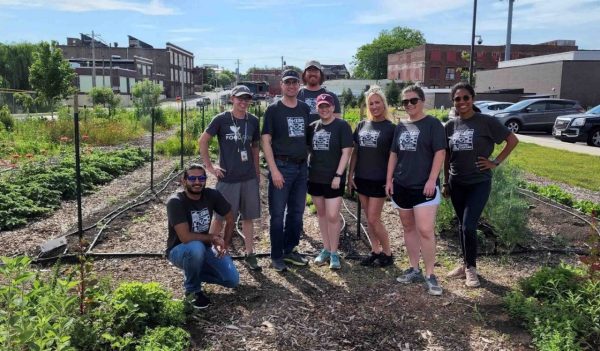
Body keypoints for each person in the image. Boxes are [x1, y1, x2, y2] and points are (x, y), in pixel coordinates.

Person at [443, 82, 519, 288]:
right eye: (457, 99)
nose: (462, 102)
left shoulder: (486, 122)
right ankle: (464, 263)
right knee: (461, 225)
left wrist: (495, 162)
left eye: (465, 98)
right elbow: (447, 156)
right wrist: (445, 182)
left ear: (472, 99)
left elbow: (512, 140)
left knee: (469, 225)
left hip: (478, 183)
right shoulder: (450, 126)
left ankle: (471, 270)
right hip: (456, 182)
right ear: (453, 102)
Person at [386, 85, 447, 296]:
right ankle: (414, 268)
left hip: (425, 187)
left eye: (413, 101)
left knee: (425, 230)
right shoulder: (400, 126)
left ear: (422, 101)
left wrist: (432, 179)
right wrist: (389, 180)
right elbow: (394, 154)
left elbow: (440, 153)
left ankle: (431, 274)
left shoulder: (433, 124)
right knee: (408, 228)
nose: (409, 105)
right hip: (402, 185)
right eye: (405, 102)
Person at [199, 85, 262, 271]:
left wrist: (257, 173)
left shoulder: (253, 121)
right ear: (232, 99)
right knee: (220, 217)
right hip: (227, 178)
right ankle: (207, 252)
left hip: (248, 177)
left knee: (248, 217)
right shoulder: (222, 119)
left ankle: (250, 254)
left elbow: (255, 148)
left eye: (246, 98)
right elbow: (203, 140)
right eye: (239, 98)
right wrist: (209, 166)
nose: (243, 102)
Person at [166, 163, 239, 309]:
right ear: (184, 180)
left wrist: (225, 243)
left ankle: (193, 270)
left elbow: (231, 218)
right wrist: (213, 238)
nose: (197, 182)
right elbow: (185, 237)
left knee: (232, 280)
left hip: (204, 247)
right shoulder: (175, 202)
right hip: (180, 250)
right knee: (195, 247)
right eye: (192, 178)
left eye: (201, 178)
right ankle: (193, 291)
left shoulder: (212, 195)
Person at [261, 69, 311, 271]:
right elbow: (266, 141)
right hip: (281, 166)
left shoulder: (304, 109)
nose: (291, 86)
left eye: (295, 82)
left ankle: (289, 249)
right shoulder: (273, 110)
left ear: (299, 85)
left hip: (301, 168)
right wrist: (274, 170)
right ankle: (276, 255)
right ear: (281, 85)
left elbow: (308, 138)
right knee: (277, 214)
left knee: (297, 213)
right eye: (287, 82)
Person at [347, 86, 395, 267]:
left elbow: (394, 157)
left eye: (377, 102)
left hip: (379, 180)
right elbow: (355, 153)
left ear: (384, 104)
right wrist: (349, 175)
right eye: (371, 103)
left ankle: (388, 253)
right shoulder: (361, 125)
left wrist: (391, 179)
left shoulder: (391, 129)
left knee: (374, 219)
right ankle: (375, 251)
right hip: (362, 178)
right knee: (369, 218)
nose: (374, 106)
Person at [308, 93, 353, 270]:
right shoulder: (313, 127)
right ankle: (326, 249)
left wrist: (338, 175)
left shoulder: (341, 126)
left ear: (333, 108)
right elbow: (306, 151)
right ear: (317, 108)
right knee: (321, 214)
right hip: (315, 177)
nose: (324, 109)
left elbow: (346, 152)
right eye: (321, 106)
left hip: (333, 179)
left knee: (333, 216)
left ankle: (335, 252)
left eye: (327, 106)